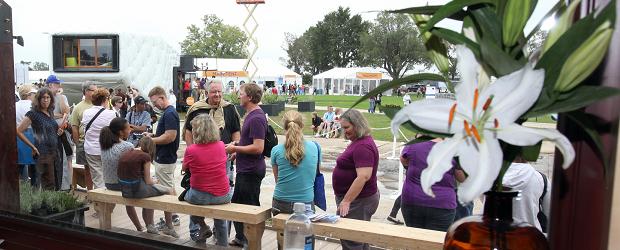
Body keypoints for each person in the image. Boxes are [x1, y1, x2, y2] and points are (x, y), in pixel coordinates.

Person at [183, 79, 241, 242]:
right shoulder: (197, 109)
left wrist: (235, 148)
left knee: (217, 198)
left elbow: (236, 130)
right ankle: (196, 232)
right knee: (195, 187)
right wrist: (192, 150)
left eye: (219, 92)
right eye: (214, 91)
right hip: (199, 159)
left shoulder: (229, 109)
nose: (217, 95)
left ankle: (219, 236)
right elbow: (188, 131)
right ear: (207, 92)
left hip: (226, 158)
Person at [224, 83, 267, 247]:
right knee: (237, 205)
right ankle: (242, 238)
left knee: (250, 210)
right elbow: (249, 141)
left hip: (251, 171)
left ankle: (252, 242)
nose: (238, 96)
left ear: (249, 97)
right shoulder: (250, 114)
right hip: (245, 169)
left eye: (241, 93)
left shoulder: (256, 117)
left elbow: (258, 147)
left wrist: (235, 148)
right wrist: (238, 151)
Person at [332, 109, 380, 250]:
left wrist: (346, 200)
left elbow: (363, 176)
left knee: (351, 241)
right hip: (358, 200)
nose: (344, 131)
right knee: (360, 239)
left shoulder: (363, 146)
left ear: (358, 125)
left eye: (347, 127)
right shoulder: (359, 142)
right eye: (343, 128)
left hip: (358, 201)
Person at [183, 114, 233, 246]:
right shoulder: (222, 145)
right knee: (220, 219)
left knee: (188, 203)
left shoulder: (191, 150)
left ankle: (203, 226)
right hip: (223, 195)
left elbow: (184, 168)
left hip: (198, 196)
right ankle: (223, 246)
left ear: (198, 131)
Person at [399, 137, 464, 231]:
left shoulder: (414, 144)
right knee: (436, 242)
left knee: (414, 239)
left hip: (413, 200)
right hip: (442, 203)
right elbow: (462, 178)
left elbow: (404, 160)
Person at [100, 117, 149, 232]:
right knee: (150, 190)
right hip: (121, 185)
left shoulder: (104, 145)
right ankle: (149, 226)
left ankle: (139, 227)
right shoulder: (127, 146)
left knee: (129, 185)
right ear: (121, 132)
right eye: (128, 128)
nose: (130, 130)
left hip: (108, 184)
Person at [118, 137, 172, 235]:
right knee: (169, 190)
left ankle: (150, 226)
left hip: (125, 190)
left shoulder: (127, 153)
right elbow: (148, 181)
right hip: (137, 190)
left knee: (150, 193)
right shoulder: (145, 156)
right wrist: (155, 181)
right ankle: (169, 226)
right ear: (151, 148)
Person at [271, 110, 319, 215]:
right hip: (305, 201)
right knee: (306, 231)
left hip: (281, 201)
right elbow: (313, 176)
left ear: (284, 126)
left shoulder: (276, 150)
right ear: (302, 125)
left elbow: (277, 180)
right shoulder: (315, 147)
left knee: (282, 231)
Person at [147, 86, 181, 229]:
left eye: (155, 102)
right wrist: (153, 136)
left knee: (167, 189)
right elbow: (166, 135)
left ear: (162, 97)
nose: (154, 106)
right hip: (165, 157)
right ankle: (173, 216)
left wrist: (150, 141)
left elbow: (170, 137)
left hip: (165, 157)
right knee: (169, 186)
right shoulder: (168, 113)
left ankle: (172, 218)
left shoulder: (169, 113)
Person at [16, 88, 63, 190]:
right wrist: (32, 147)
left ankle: (52, 204)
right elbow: (18, 130)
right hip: (42, 153)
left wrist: (57, 132)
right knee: (48, 185)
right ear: (38, 99)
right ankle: (46, 205)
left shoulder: (50, 112)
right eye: (43, 98)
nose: (45, 100)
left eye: (48, 97)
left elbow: (49, 130)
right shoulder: (33, 113)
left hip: (54, 152)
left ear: (51, 99)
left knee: (56, 182)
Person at [81, 88, 117, 189]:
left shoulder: (86, 112)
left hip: (91, 149)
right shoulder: (111, 114)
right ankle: (108, 201)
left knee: (97, 178)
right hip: (107, 149)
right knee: (108, 177)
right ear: (105, 99)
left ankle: (100, 200)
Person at [501, 158, 551, 232]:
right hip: (529, 239)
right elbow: (550, 214)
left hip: (493, 238)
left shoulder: (488, 177)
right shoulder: (540, 179)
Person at [70, 81, 98, 190]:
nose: (96, 92)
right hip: (84, 142)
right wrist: (78, 143)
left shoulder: (100, 104)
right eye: (93, 90)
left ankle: (99, 193)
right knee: (88, 170)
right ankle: (91, 192)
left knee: (99, 169)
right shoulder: (78, 107)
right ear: (86, 91)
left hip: (98, 142)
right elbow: (74, 127)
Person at [47, 75, 71, 190]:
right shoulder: (44, 97)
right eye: (57, 84)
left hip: (61, 132)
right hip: (49, 133)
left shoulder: (62, 97)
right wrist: (58, 115)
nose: (59, 86)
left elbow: (66, 113)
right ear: (50, 85)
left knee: (64, 159)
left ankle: (64, 186)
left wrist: (60, 96)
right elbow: (45, 114)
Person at [15, 85, 38, 185]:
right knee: (35, 170)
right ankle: (36, 194)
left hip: (18, 137)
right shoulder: (33, 107)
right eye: (34, 94)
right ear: (29, 94)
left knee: (19, 167)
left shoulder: (15, 105)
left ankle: (19, 191)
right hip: (33, 137)